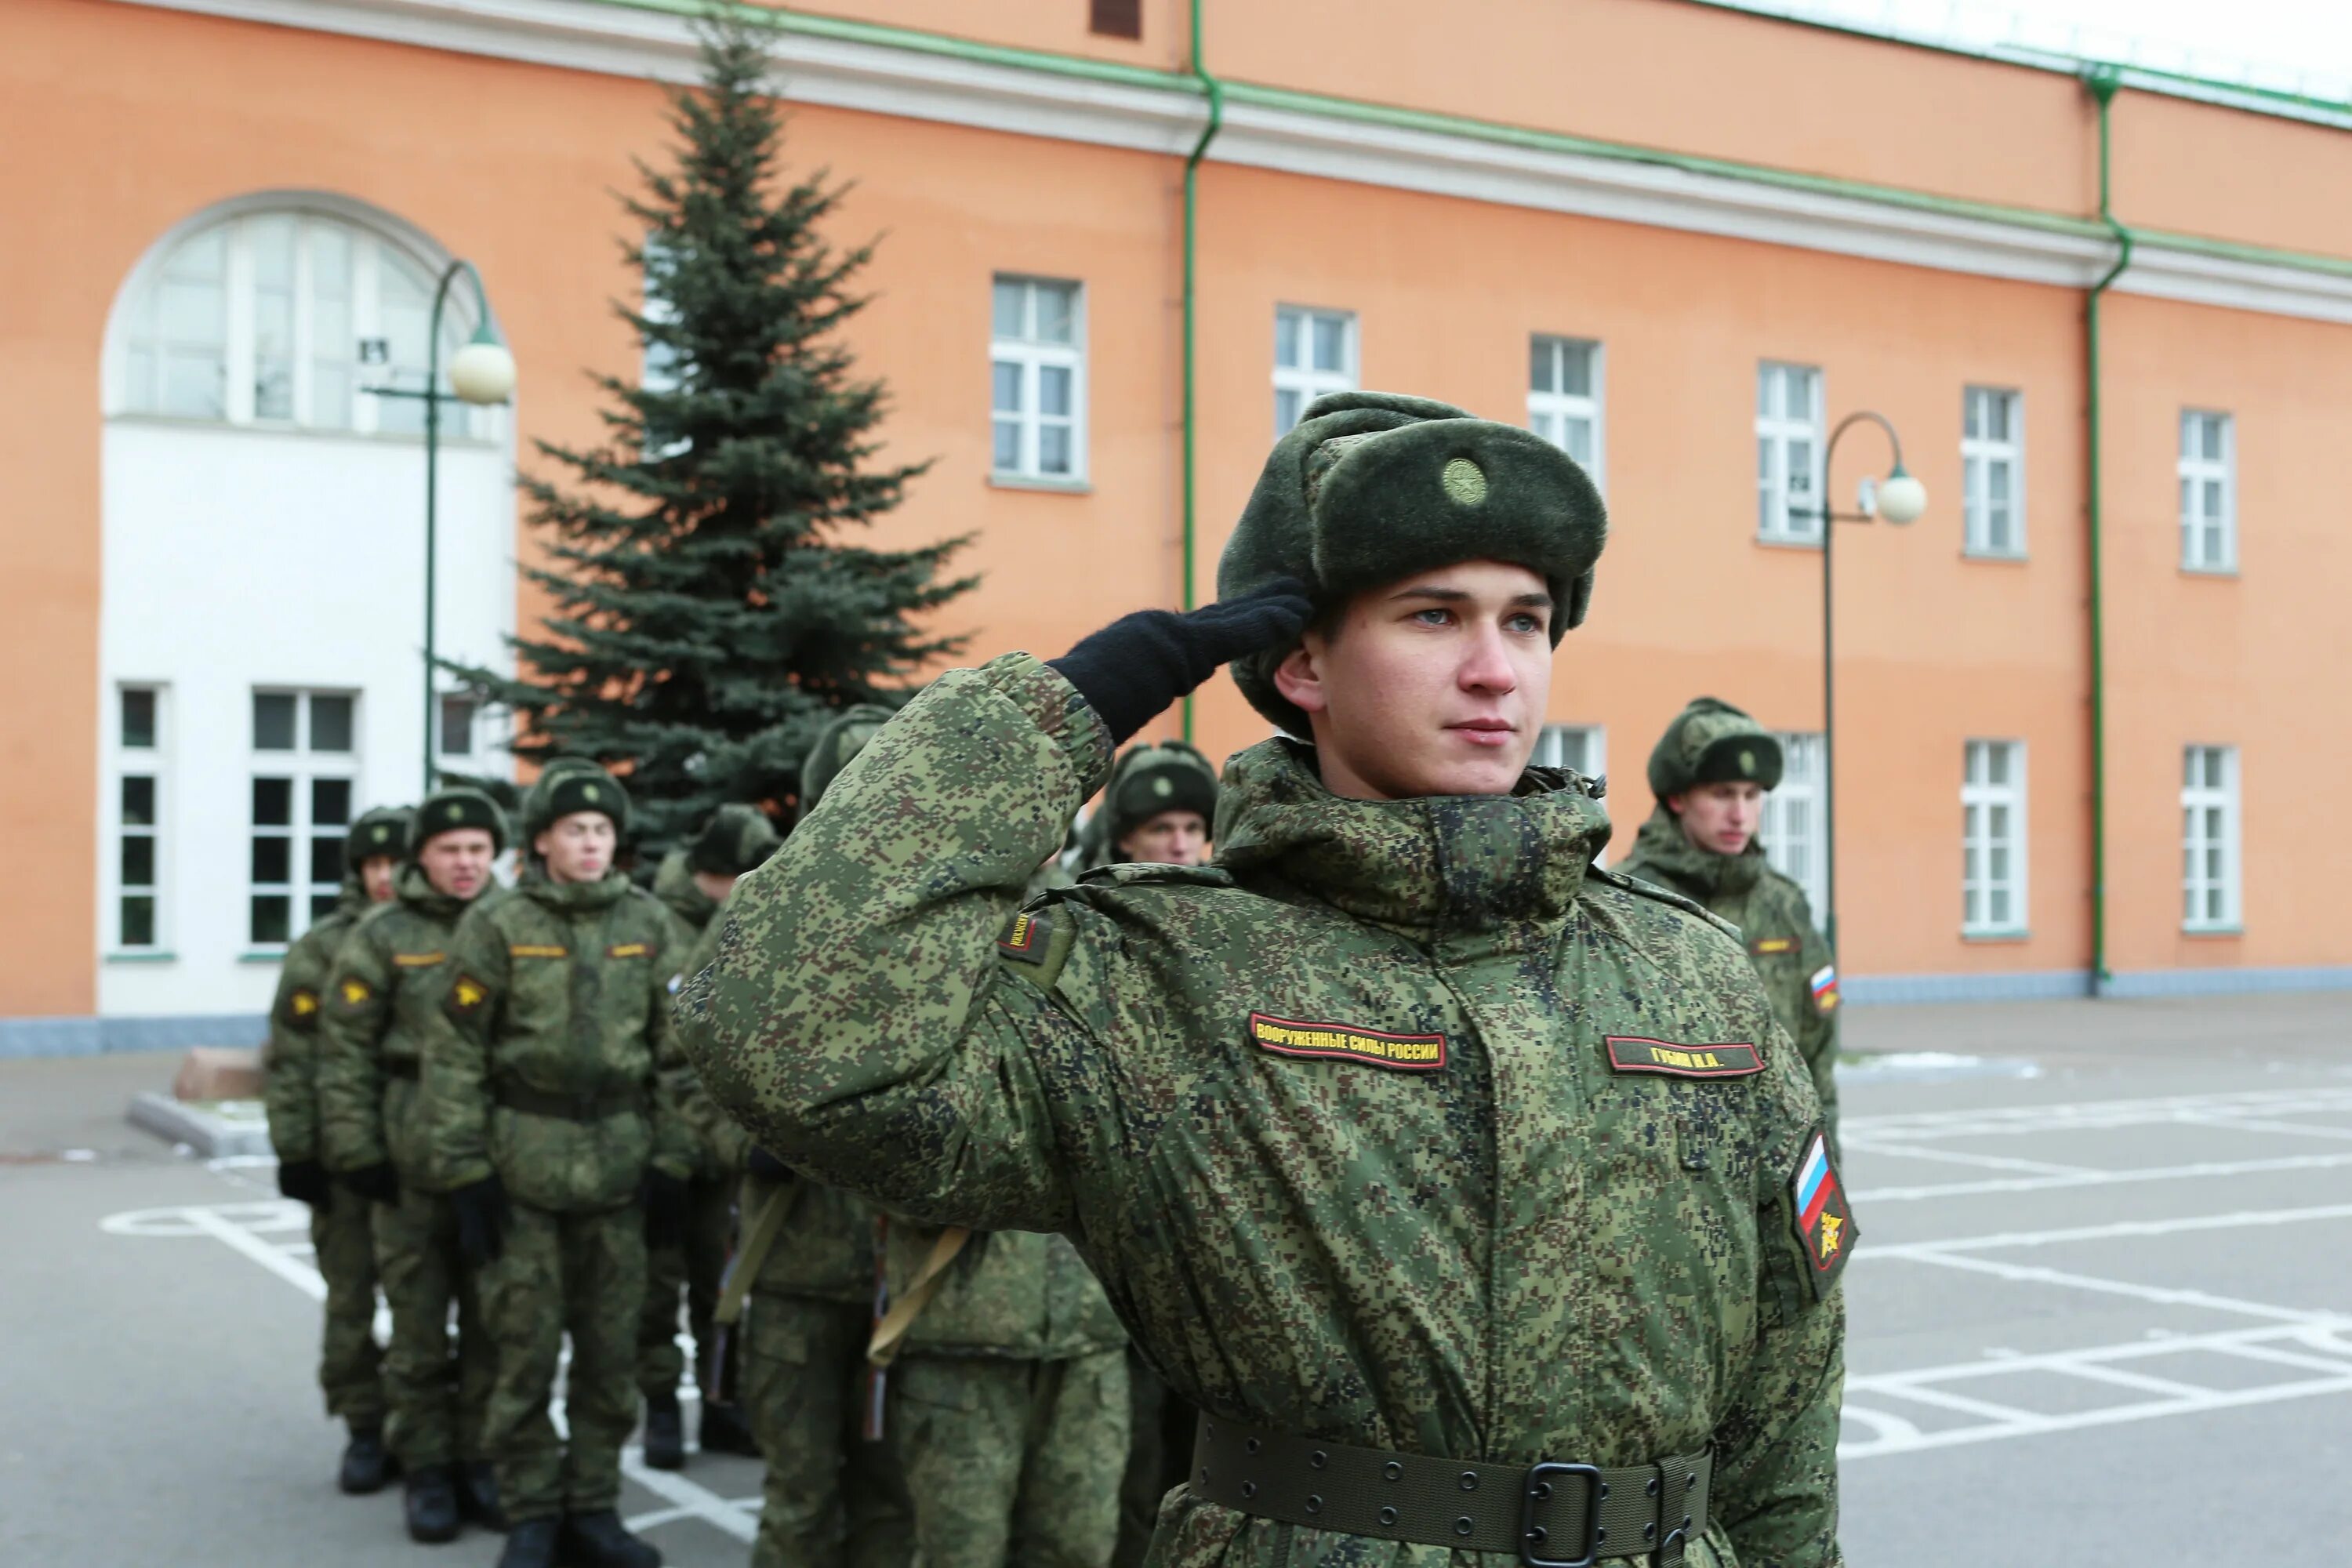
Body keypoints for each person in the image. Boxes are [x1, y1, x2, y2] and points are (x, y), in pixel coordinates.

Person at [681, 390, 1849, 1567]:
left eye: (1528, 621)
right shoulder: (1157, 976)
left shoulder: (1687, 969)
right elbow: (788, 1040)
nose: (1497, 672)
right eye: (1434, 617)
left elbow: (1792, 1374)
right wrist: (1072, 708)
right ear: (1301, 663)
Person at [422, 766, 695, 1568]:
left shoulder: (647, 924)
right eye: (574, 829)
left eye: (602, 831)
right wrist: (466, 1167)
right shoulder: (498, 924)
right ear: (541, 839)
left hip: (619, 1170)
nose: (590, 842)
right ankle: (533, 1507)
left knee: (611, 1353)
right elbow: (453, 1052)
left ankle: (594, 1504)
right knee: (523, 1350)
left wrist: (675, 1157)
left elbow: (678, 1056)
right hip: (522, 1172)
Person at [687, 707, 914, 1568]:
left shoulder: (949, 915)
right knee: (801, 1497)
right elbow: (683, 1067)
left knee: (893, 1500)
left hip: (909, 1271)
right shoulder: (758, 913)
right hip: (793, 1264)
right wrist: (744, 1135)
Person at [317, 789, 510, 1542]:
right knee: (421, 1325)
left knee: (496, 1324)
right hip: (405, 1158)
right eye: (449, 850)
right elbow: (343, 1054)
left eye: (477, 849)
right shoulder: (382, 933)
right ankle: (426, 1469)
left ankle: (479, 1461)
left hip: (496, 1156)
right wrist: (357, 1150)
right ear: (421, 857)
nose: (465, 864)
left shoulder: (514, 925)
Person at [1077, 742, 1221, 1568]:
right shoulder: (1089, 923)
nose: (1177, 843)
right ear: (1124, 837)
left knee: (1201, 1457)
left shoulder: (1239, 926)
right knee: (1125, 1470)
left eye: (1193, 825)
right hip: (1116, 1239)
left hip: (1206, 1234)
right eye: (1159, 826)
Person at [1615, 698, 1842, 1146]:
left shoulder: (1785, 906)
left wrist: (1824, 1175)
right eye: (1722, 794)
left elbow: (1819, 1057)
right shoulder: (1627, 902)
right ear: (1678, 797)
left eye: (1751, 795)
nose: (1740, 815)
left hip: (1778, 1161)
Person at [264, 803, 410, 1497]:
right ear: (357, 870)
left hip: (414, 1153)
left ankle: (423, 1430)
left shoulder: (437, 937)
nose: (386, 876)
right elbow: (291, 1061)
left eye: (396, 862)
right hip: (338, 1158)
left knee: (424, 1303)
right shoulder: (320, 950)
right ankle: (361, 1425)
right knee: (351, 1298)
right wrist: (297, 1150)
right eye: (373, 864)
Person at [636, 804, 779, 1468]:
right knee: (658, 1287)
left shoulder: (744, 920)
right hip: (662, 1147)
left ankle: (721, 1404)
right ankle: (663, 1407)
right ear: (712, 875)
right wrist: (668, 1150)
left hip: (723, 1150)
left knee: (720, 1286)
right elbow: (655, 1054)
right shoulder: (655, 926)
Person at [1079, 739, 1218, 872]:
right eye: (1161, 829)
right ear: (1126, 839)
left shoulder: (1230, 895)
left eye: (1192, 829)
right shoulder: (1083, 896)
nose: (1180, 847)